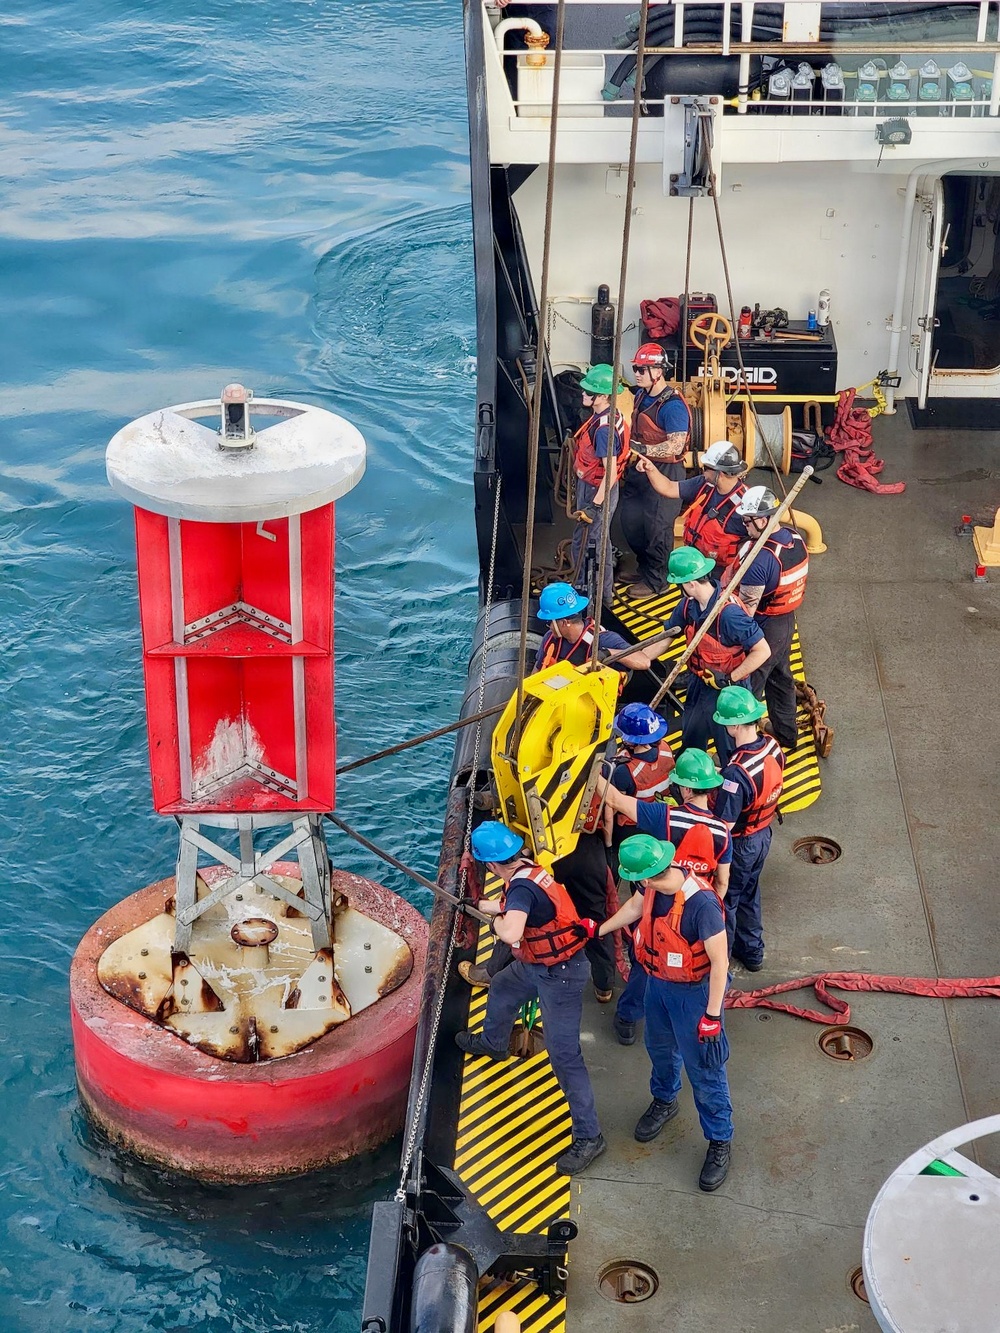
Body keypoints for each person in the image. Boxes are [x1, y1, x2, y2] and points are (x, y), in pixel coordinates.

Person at [454, 821, 606, 1175]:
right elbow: (517, 904)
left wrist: (495, 922)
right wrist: (482, 905)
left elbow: (512, 930)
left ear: (491, 865)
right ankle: (494, 1042)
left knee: (564, 1056)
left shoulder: (521, 890)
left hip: (561, 975)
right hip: (537, 965)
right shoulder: (529, 872)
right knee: (503, 988)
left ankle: (589, 1136)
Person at [595, 834, 733, 1191]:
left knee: (705, 1068)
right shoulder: (654, 887)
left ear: (645, 875)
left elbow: (719, 963)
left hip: (694, 995)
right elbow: (635, 909)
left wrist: (712, 1017)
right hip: (658, 985)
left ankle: (720, 1140)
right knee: (660, 1049)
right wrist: (599, 929)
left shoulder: (701, 904)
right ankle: (665, 1099)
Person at [600, 747, 732, 1045]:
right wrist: (709, 909)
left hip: (657, 905)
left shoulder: (665, 817)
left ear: (684, 787)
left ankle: (628, 1017)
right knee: (701, 964)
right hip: (701, 910)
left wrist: (587, 765)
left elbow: (614, 799)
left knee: (647, 961)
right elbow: (722, 881)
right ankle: (699, 1015)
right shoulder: (723, 831)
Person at [661, 545, 771, 764]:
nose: (678, 589)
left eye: (679, 584)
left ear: (690, 584)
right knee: (692, 736)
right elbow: (664, 639)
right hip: (699, 682)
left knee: (729, 747)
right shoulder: (687, 607)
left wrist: (730, 678)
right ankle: (691, 779)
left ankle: (731, 784)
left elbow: (762, 650)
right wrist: (635, 659)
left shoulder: (729, 615)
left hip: (728, 692)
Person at [726, 486, 809, 751]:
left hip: (763, 624)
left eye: (748, 520)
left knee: (749, 685)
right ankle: (786, 734)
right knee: (780, 676)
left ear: (763, 520)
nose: (744, 525)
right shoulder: (794, 538)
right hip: (785, 621)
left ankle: (740, 747)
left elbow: (746, 612)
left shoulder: (760, 561)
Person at [712, 686, 785, 972]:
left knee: (727, 900)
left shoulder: (734, 772)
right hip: (764, 833)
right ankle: (753, 953)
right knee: (750, 893)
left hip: (741, 844)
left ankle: (722, 962)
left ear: (734, 725)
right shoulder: (772, 746)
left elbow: (725, 824)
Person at [620, 344, 691, 600]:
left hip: (665, 472)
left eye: (642, 369)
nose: (636, 373)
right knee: (631, 522)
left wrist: (638, 448)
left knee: (657, 529)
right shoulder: (641, 395)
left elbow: (676, 445)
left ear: (658, 372)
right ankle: (645, 567)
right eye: (635, 368)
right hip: (640, 469)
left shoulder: (672, 407)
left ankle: (657, 581)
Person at [634, 439, 748, 575]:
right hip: (694, 566)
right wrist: (651, 469)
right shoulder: (703, 484)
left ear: (720, 473)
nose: (702, 471)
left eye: (706, 468)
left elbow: (759, 543)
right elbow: (669, 488)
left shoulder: (746, 505)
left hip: (722, 575)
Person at [571, 364, 630, 605]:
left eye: (589, 391)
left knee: (587, 545)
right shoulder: (609, 415)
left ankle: (590, 598)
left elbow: (611, 471)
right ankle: (602, 597)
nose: (583, 393)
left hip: (598, 491)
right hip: (596, 488)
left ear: (604, 396)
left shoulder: (604, 430)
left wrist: (594, 506)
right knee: (599, 541)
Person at [533, 583, 670, 673]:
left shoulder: (604, 640)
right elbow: (535, 674)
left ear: (564, 622)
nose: (549, 627)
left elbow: (644, 662)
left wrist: (608, 653)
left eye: (549, 623)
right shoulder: (550, 640)